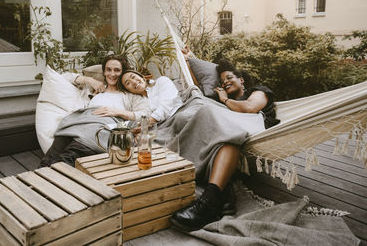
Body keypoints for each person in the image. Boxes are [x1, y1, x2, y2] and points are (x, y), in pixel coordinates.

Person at [169, 51, 280, 231]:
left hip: (253, 127)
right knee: (219, 134)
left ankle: (210, 201)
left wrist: (225, 99)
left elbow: (250, 108)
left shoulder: (258, 90)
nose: (225, 82)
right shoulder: (222, 104)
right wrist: (188, 60)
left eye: (229, 78)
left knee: (209, 112)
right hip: (230, 135)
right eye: (222, 82)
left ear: (242, 80)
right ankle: (219, 196)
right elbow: (195, 84)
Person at [40, 55, 151, 167]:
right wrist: (88, 80)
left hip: (99, 129)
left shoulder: (130, 95)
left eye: (117, 70)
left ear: (123, 73)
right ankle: (38, 181)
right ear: (104, 72)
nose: (112, 74)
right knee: (48, 159)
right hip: (77, 124)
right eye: (108, 70)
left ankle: (53, 180)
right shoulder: (94, 89)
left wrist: (117, 112)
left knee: (67, 159)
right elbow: (62, 78)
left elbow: (145, 115)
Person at [119, 70, 183, 125]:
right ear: (128, 91)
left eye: (133, 77)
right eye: (128, 83)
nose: (134, 82)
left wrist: (144, 125)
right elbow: (138, 117)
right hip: (163, 126)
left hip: (179, 115)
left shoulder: (162, 81)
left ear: (141, 76)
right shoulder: (139, 102)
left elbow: (165, 107)